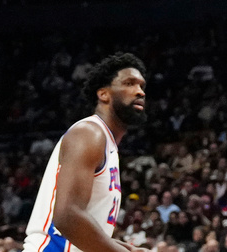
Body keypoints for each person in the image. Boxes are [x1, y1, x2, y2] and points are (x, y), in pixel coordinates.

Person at [22, 53, 147, 252]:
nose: (139, 91)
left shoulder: (107, 143)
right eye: (129, 83)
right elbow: (67, 217)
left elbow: (84, 229)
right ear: (103, 94)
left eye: (141, 86)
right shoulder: (90, 133)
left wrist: (128, 248)